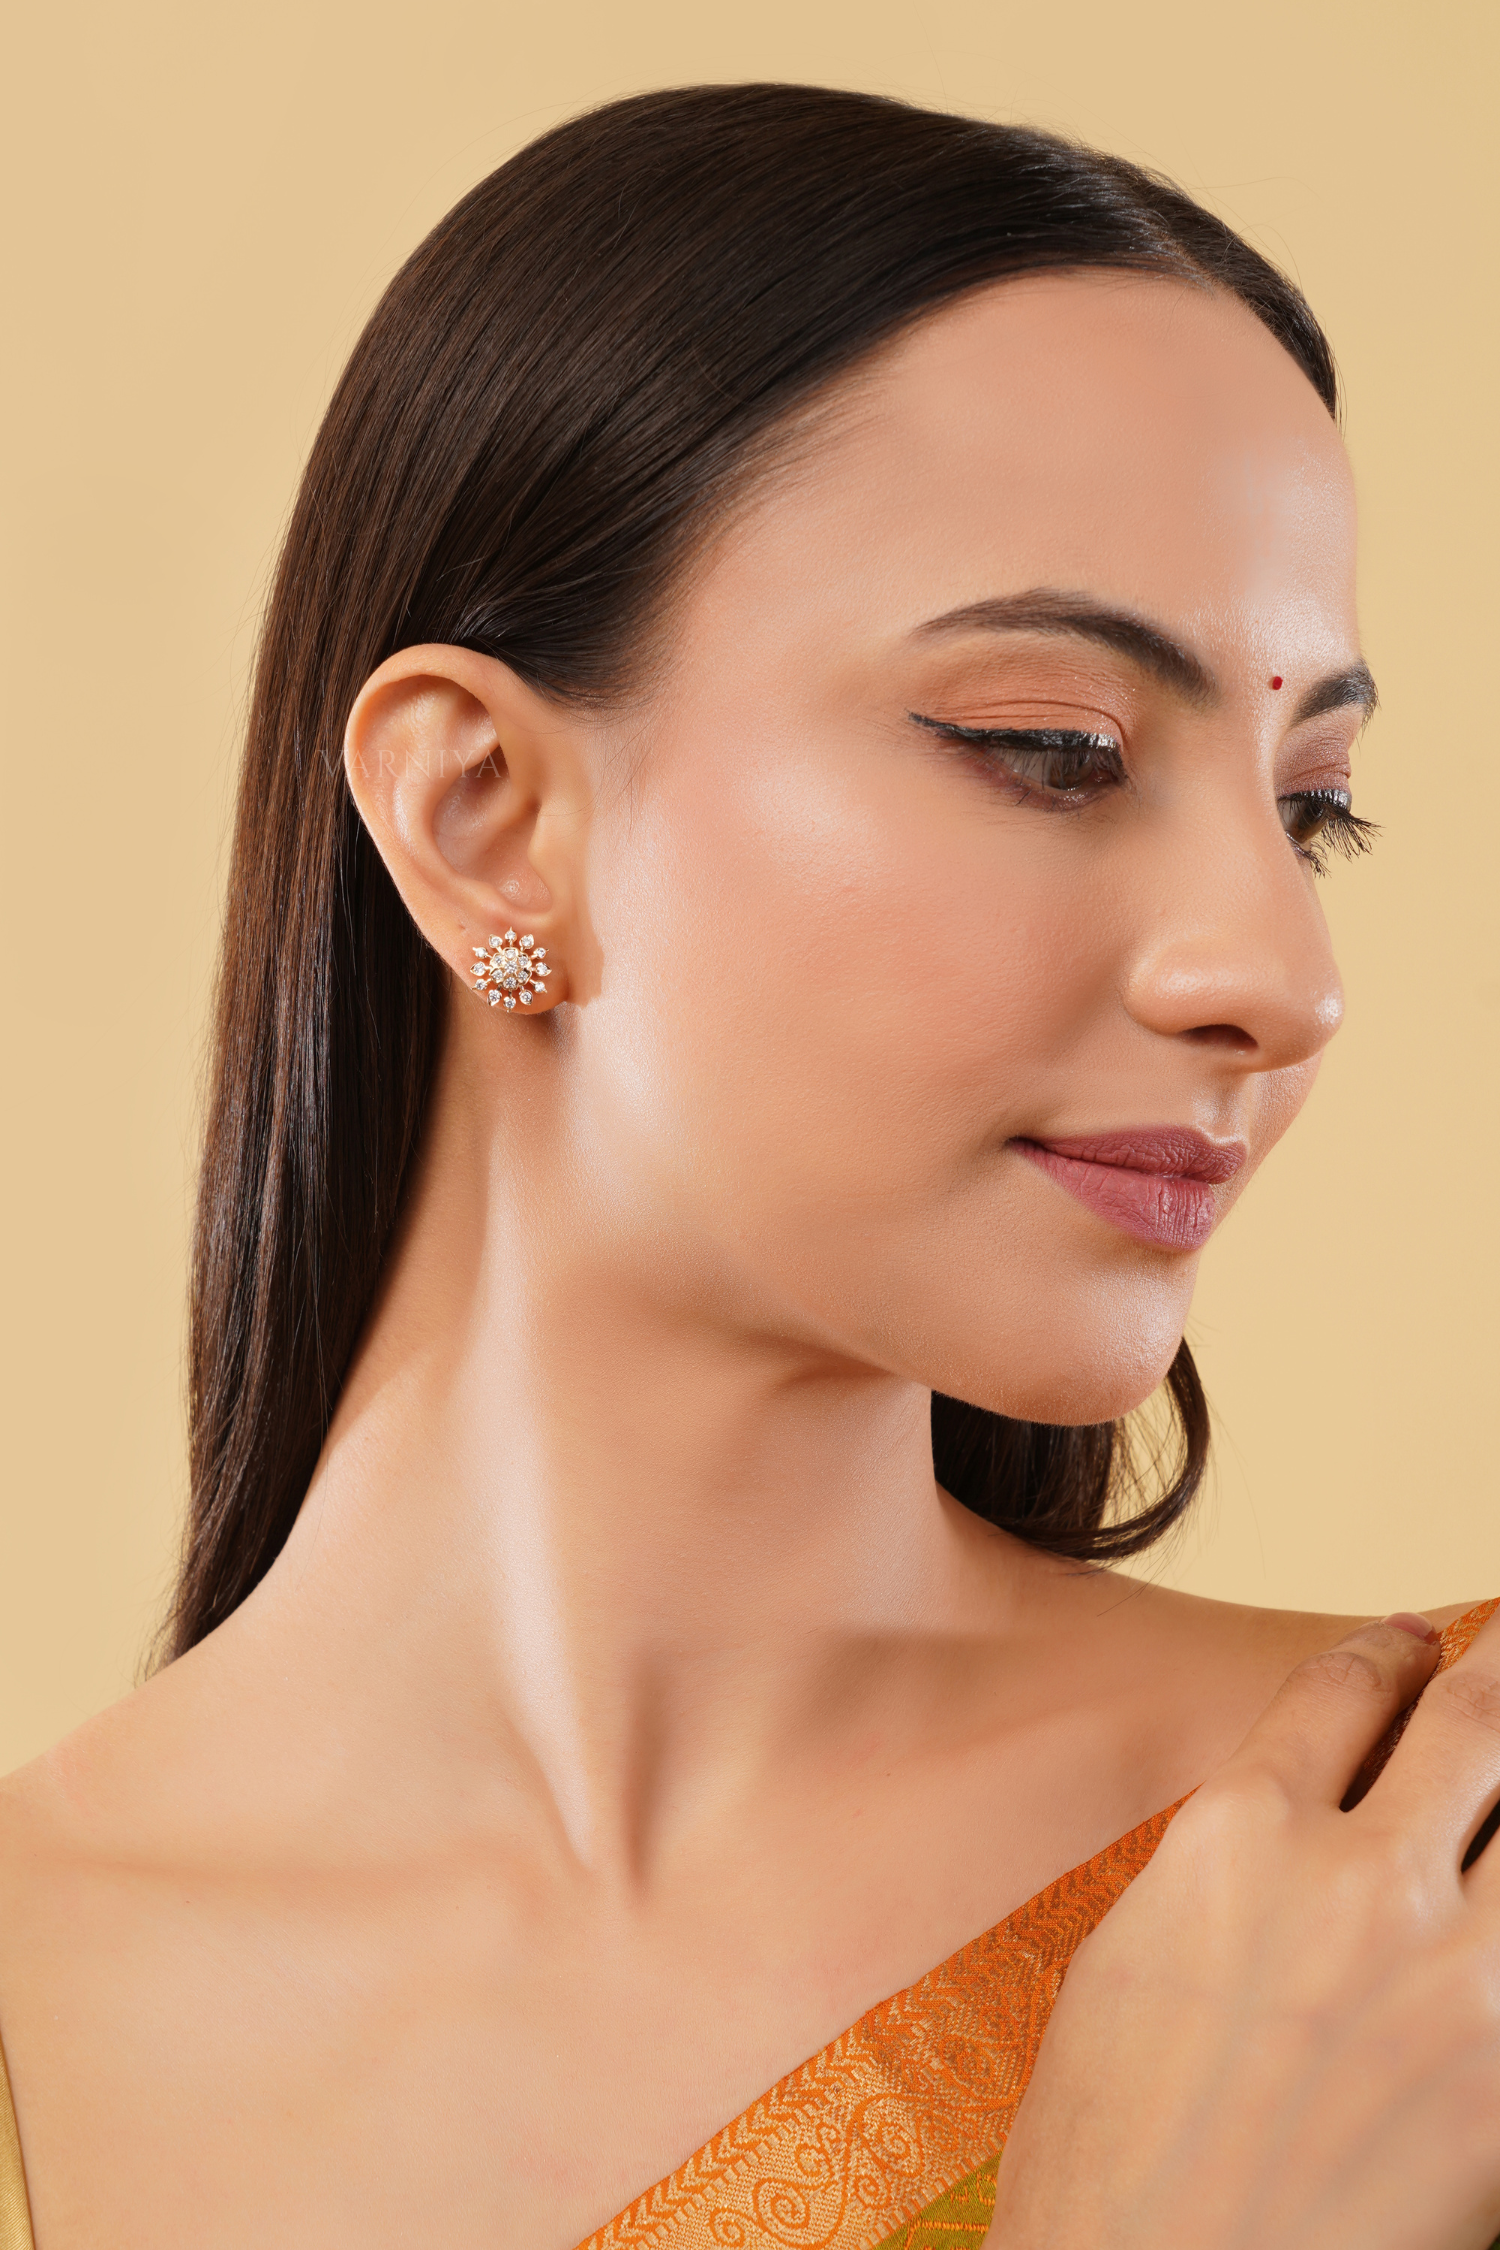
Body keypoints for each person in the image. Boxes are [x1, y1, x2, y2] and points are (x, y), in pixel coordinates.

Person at [0, 81, 1496, 2250]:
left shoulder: (1431, 1866)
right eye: (1054, 751)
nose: (1282, 976)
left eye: (1311, 806)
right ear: (485, 815)